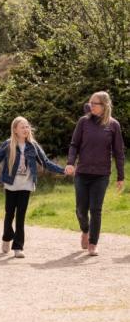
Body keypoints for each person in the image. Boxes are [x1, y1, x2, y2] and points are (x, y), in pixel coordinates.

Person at [0, 117, 68, 258]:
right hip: (11, 184)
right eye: (22, 127)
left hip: (26, 185)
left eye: (27, 126)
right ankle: (7, 236)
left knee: (20, 216)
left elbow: (45, 162)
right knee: (9, 214)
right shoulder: (8, 145)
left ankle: (18, 247)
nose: (26, 129)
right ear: (15, 130)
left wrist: (63, 170)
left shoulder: (33, 146)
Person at [65, 91, 125, 256]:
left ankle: (93, 243)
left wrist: (121, 176)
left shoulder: (113, 125)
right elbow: (74, 144)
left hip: (101, 175)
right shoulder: (83, 122)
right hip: (82, 173)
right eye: (90, 103)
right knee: (80, 209)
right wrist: (70, 163)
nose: (90, 106)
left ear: (104, 106)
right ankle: (85, 230)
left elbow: (119, 153)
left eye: (94, 103)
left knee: (95, 209)